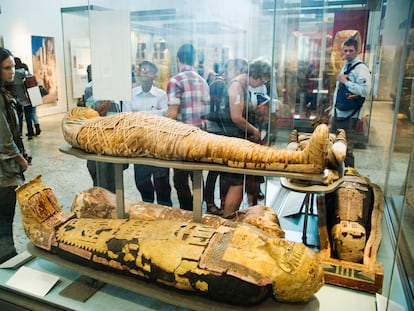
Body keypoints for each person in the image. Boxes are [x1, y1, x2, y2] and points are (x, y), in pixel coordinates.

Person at [220, 58, 271, 217]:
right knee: (236, 184)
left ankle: (230, 219)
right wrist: (254, 130)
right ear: (255, 74)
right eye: (262, 80)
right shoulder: (237, 86)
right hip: (233, 138)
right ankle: (228, 221)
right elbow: (236, 117)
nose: (262, 84)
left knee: (238, 183)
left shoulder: (242, 85)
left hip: (237, 138)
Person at [166, 43, 210, 211]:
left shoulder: (175, 81)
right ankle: (199, 209)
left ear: (177, 59)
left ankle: (187, 210)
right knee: (197, 175)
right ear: (194, 59)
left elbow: (171, 114)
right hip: (199, 137)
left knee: (179, 178)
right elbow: (205, 112)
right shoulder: (203, 81)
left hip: (181, 139)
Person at [123, 60, 172, 206]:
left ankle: (165, 209)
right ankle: (148, 205)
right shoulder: (130, 94)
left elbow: (165, 118)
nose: (144, 72)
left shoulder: (161, 95)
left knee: (162, 181)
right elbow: (128, 118)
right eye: (142, 69)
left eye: (148, 70)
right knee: (142, 181)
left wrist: (139, 115)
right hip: (139, 144)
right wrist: (154, 114)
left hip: (159, 144)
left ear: (154, 75)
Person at [203, 58, 249, 215]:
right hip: (216, 131)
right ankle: (210, 203)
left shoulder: (229, 84)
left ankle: (223, 202)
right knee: (214, 171)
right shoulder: (219, 84)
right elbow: (216, 111)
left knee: (222, 171)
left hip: (223, 132)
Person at [0, 48, 30, 263]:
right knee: (4, 218)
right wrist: (20, 159)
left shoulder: (5, 93)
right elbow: (4, 138)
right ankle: (7, 258)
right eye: (7, 68)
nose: (12, 72)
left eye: (13, 67)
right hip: (5, 171)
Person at [331, 37, 371, 167]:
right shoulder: (346, 66)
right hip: (339, 113)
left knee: (347, 150)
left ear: (357, 51)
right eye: (345, 51)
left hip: (350, 116)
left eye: (351, 51)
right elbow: (338, 92)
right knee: (334, 147)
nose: (348, 53)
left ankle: (350, 178)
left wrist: (346, 82)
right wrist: (333, 113)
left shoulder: (361, 69)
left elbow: (365, 91)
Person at [84, 64, 122, 193]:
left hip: (115, 137)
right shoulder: (91, 88)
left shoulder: (115, 86)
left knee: (115, 178)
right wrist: (108, 97)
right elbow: (96, 114)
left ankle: (114, 208)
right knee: (101, 180)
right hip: (100, 138)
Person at [13, 57, 41, 139]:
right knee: (31, 114)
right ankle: (34, 128)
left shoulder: (15, 74)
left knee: (24, 116)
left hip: (22, 98)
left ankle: (28, 132)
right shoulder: (27, 72)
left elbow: (17, 89)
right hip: (32, 96)